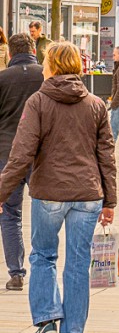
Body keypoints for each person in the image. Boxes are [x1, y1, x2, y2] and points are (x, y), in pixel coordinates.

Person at [0, 42, 116, 333]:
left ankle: (47, 317)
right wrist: (110, 202)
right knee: (78, 264)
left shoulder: (38, 102)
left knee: (43, 256)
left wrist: (2, 191)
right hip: (88, 195)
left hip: (49, 193)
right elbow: (107, 157)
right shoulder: (95, 104)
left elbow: (21, 153)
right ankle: (73, 328)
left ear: (51, 66)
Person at [0, 33, 44, 292]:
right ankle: (42, 266)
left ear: (10, 53)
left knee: (10, 214)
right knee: (43, 212)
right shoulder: (45, 76)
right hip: (40, 155)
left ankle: (16, 272)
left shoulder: (2, 79)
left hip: (7, 155)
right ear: (33, 50)